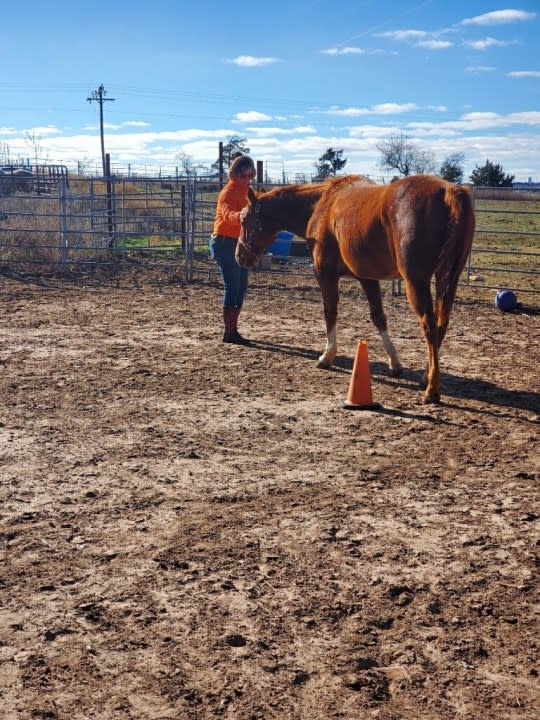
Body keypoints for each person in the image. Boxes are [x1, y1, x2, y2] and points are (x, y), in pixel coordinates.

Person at [209, 154, 256, 345]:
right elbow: (228, 214)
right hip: (224, 242)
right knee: (233, 286)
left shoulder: (248, 191)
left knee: (241, 286)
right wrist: (241, 216)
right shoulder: (228, 192)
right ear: (235, 174)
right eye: (243, 176)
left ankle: (232, 329)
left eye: (249, 176)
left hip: (238, 241)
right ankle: (229, 332)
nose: (246, 180)